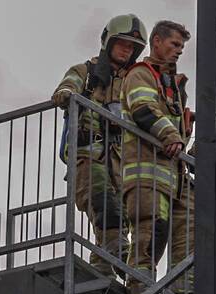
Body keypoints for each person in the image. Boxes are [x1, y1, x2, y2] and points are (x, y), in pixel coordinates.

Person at [52, 14, 149, 276]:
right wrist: (67, 94)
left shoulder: (135, 83)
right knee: (104, 204)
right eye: (122, 44)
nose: (126, 50)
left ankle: (103, 271)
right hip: (88, 156)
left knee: (121, 218)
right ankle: (124, 261)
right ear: (108, 43)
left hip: (122, 164)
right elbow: (67, 87)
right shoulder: (87, 71)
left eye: (132, 47)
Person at [120, 20, 195, 294]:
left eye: (182, 47)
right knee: (151, 231)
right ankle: (139, 290)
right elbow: (144, 110)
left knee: (191, 223)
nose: (178, 51)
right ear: (157, 42)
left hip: (174, 176)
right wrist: (171, 136)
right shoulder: (141, 74)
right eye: (175, 44)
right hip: (147, 174)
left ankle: (183, 291)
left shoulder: (172, 84)